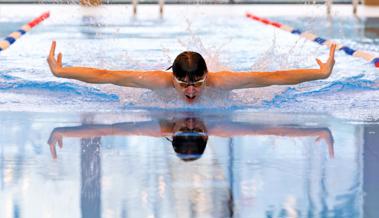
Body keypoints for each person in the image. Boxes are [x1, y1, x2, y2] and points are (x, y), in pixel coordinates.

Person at [47, 41, 336, 103]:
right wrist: (62, 73)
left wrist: (320, 74)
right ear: (171, 77)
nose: (190, 91)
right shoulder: (157, 81)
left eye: (197, 83)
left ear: (206, 76)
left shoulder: (220, 82)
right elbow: (106, 75)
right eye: (183, 84)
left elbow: (273, 78)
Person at [48, 115, 334, 161]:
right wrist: (318, 131)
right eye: (196, 130)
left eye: (187, 129)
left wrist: (63, 132)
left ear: (172, 134)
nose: (190, 123)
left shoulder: (160, 126)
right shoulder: (219, 127)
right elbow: (271, 130)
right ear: (208, 135)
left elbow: (106, 130)